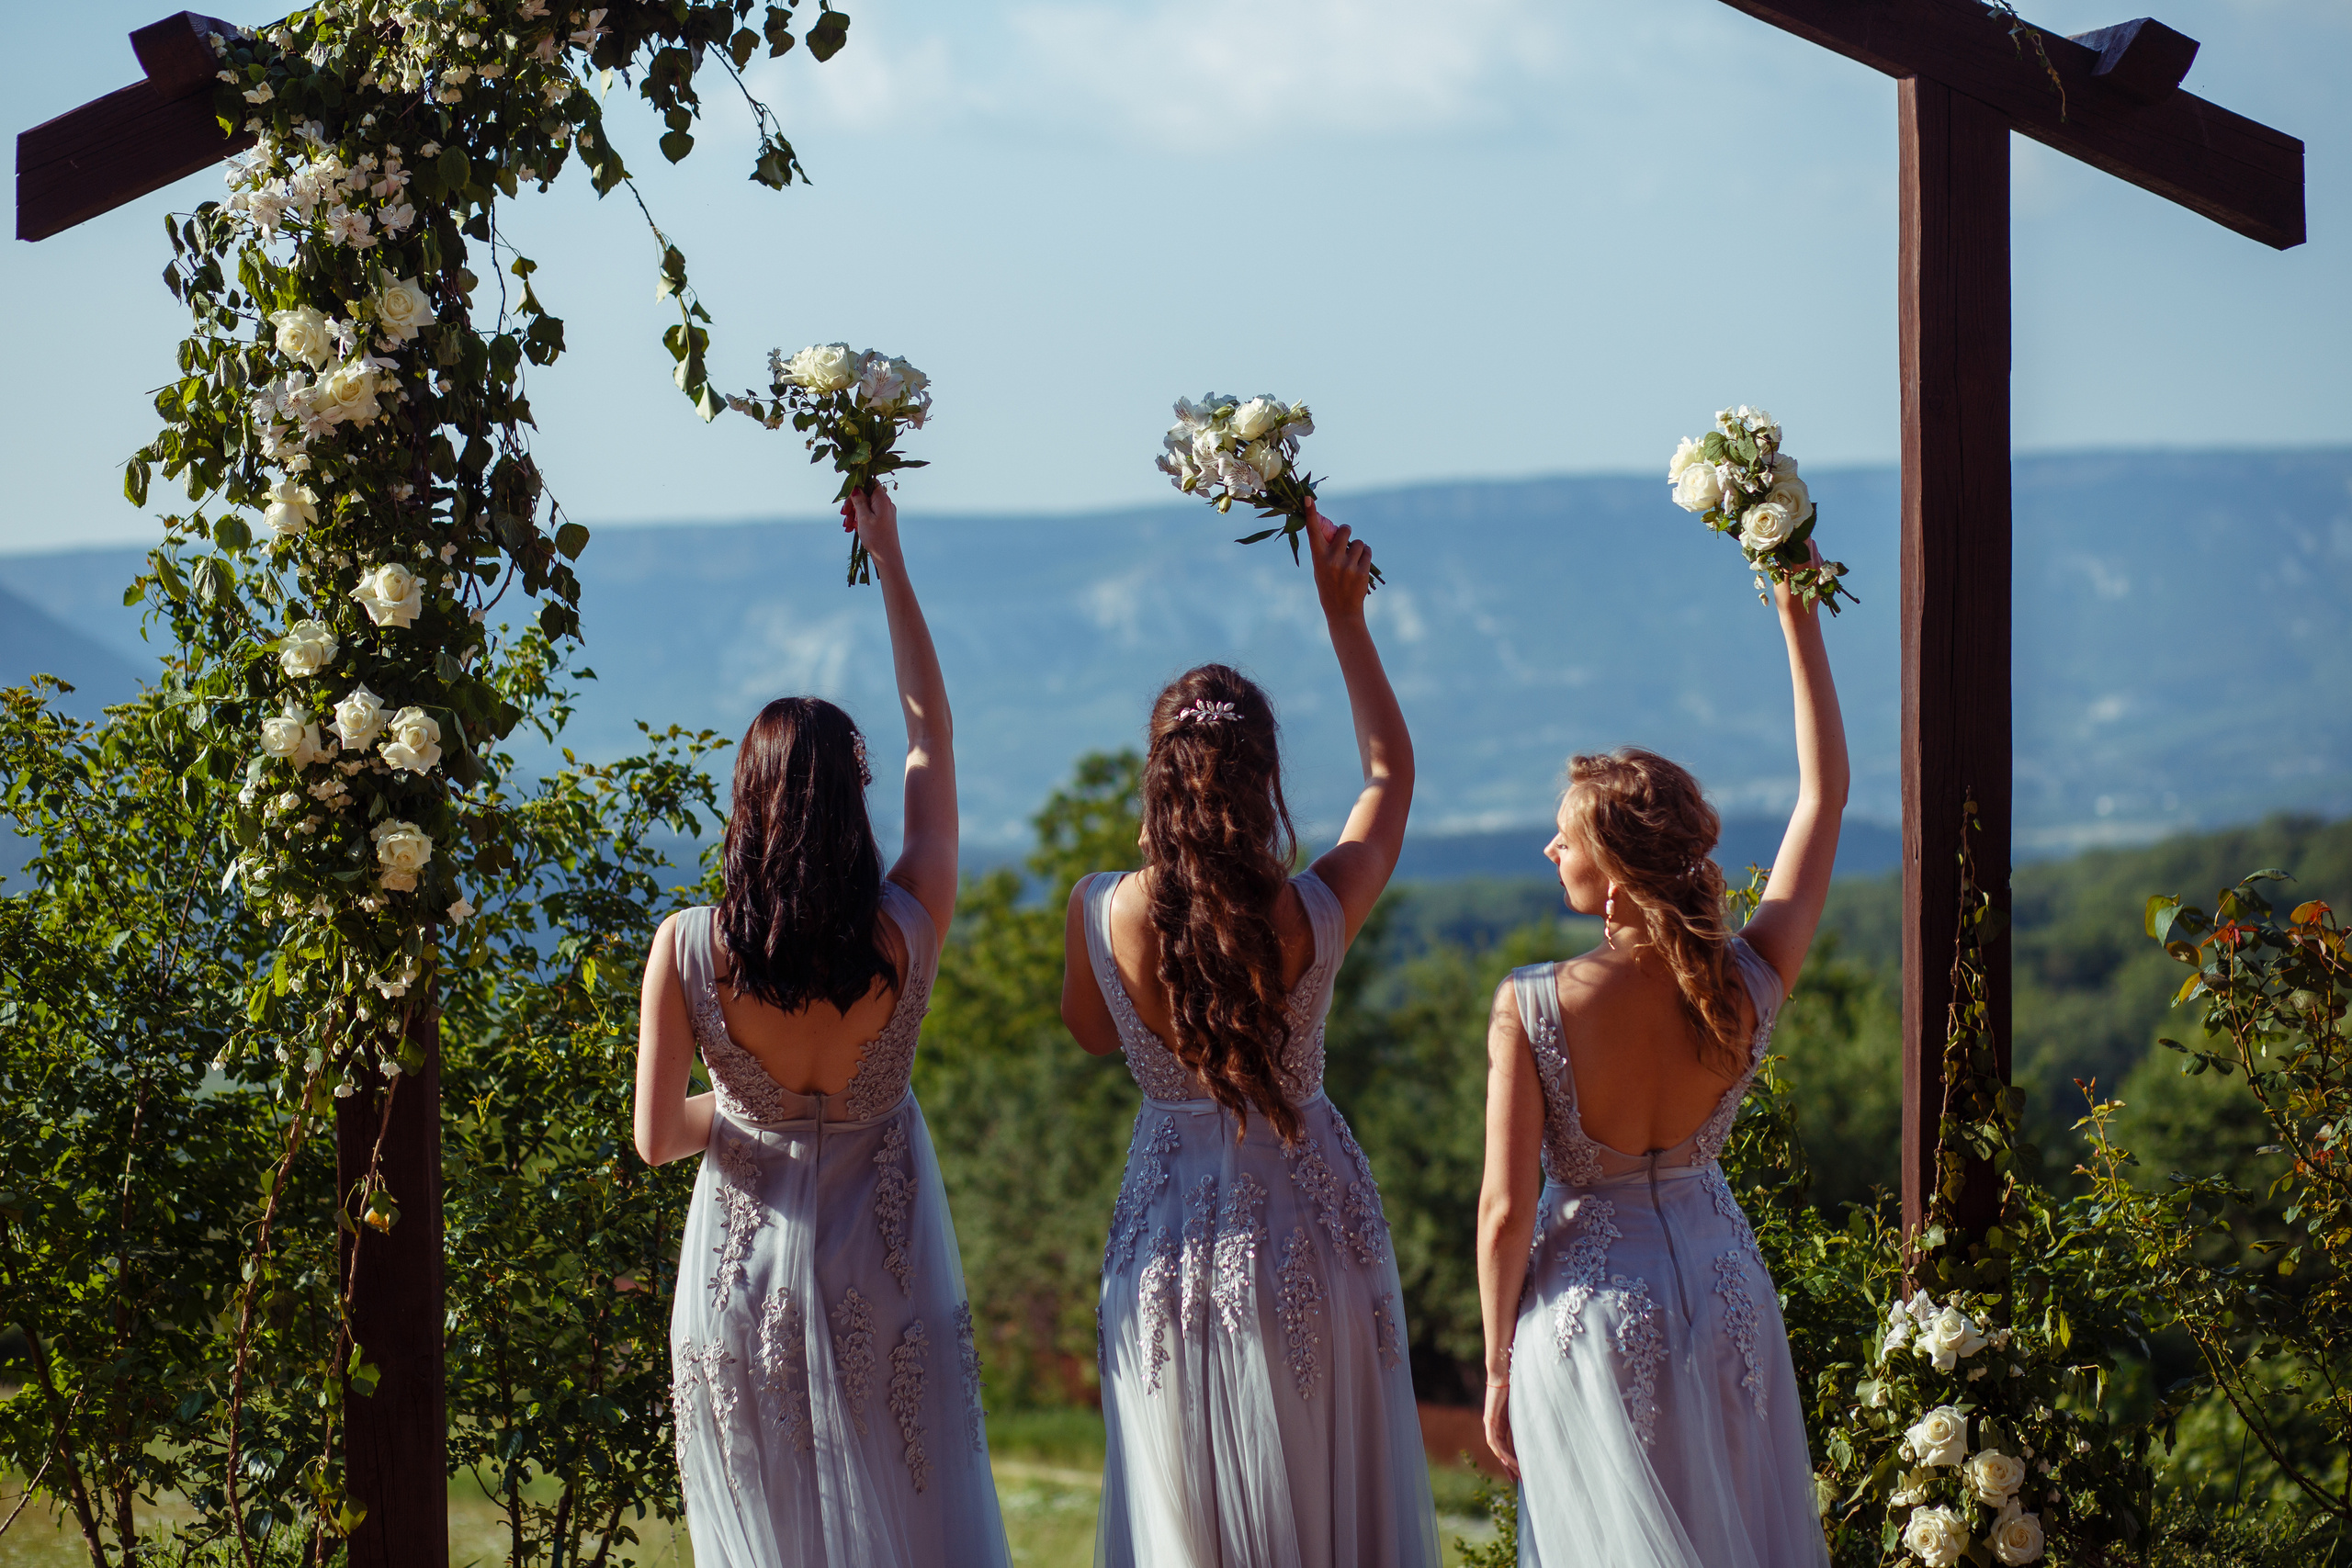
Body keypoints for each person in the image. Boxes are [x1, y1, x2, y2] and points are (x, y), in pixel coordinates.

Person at [634, 490, 1010, 1567]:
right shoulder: (907, 927)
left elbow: (658, 1136)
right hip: (884, 1275)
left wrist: (752, 1115)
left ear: (742, 803)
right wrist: (888, 558)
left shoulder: (685, 948)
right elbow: (931, 735)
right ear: (856, 802)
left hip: (739, 1278)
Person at [1062, 505, 1442, 1568]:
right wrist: (1344, 619)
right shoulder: (1313, 911)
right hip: (1312, 1226)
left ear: (1158, 781)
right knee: (1326, 1494)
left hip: (1167, 1236)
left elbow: (1090, 1033)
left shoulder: (1101, 909)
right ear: (1263, 779)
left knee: (1182, 1495)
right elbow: (1389, 780)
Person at [1475, 549, 1849, 1567]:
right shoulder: (1746, 982)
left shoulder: (1530, 1004)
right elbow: (1824, 797)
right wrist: (1797, 622)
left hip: (1590, 1317)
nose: (1549, 851)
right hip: (1723, 1295)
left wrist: (1497, 1367)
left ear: (1612, 867)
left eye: (1565, 838)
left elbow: (1507, 1211)